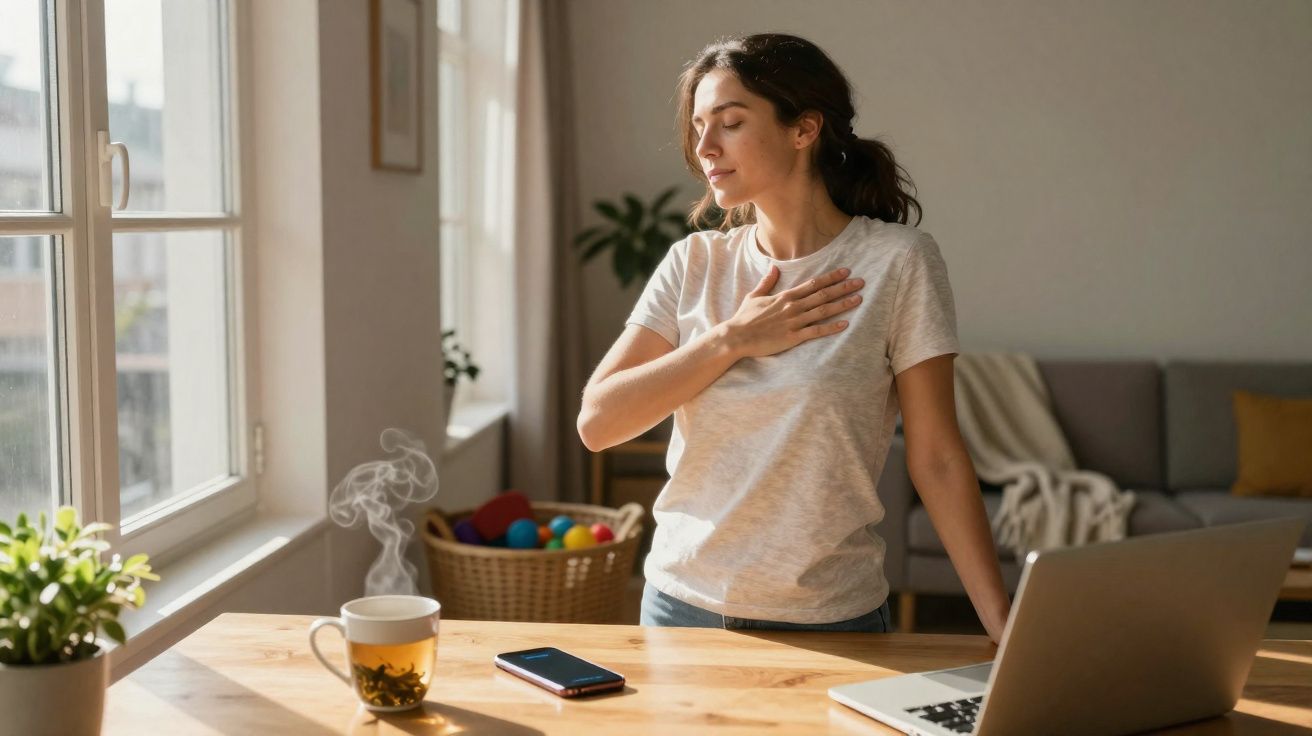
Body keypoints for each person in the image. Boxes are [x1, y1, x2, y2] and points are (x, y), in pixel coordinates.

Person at [576, 33, 1010, 644]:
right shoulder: (694, 263)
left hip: (835, 616)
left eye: (729, 122)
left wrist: (1002, 622)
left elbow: (937, 457)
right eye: (699, 126)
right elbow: (597, 423)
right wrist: (730, 340)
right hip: (682, 608)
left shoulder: (898, 262)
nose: (704, 147)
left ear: (803, 130)